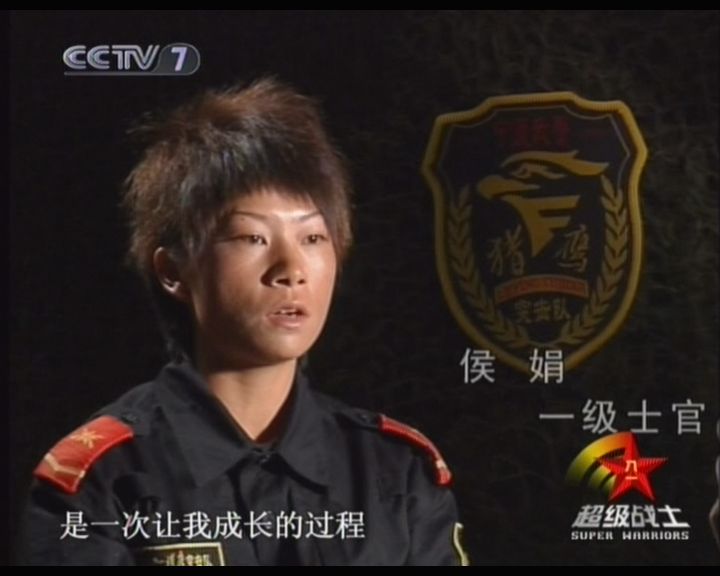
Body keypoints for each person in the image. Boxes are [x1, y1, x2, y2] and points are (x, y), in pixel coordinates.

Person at [19, 79, 468, 566]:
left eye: (313, 238)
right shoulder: (102, 479)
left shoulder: (397, 473)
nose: (291, 270)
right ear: (173, 272)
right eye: (252, 238)